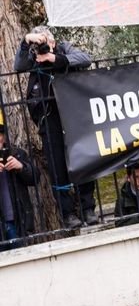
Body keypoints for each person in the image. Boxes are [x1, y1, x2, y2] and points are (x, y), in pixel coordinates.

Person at [14, 25, 95, 228]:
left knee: (83, 158)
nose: (43, 47)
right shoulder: (33, 56)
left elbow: (86, 59)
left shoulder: (64, 48)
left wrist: (55, 59)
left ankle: (88, 209)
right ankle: (68, 214)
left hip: (73, 115)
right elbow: (18, 65)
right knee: (57, 166)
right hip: (49, 119)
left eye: (46, 43)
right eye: (39, 43)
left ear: (53, 41)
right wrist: (26, 41)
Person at [0, 112, 37, 248]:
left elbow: (35, 178)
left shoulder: (16, 153)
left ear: (4, 137)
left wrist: (21, 166)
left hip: (16, 221)